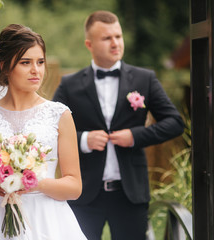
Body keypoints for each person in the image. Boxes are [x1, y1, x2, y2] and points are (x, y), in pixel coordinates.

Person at [53, 10, 185, 240]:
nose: (115, 43)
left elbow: (175, 123)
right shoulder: (69, 84)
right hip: (83, 194)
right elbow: (48, 129)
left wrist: (135, 136)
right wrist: (83, 139)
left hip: (130, 195)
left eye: (118, 36)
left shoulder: (145, 79)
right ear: (89, 44)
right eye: (106, 38)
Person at [0, 24, 87, 240]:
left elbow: (74, 186)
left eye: (40, 62)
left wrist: (33, 181)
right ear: (5, 66)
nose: (36, 70)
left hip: (46, 221)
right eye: (25, 62)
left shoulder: (60, 114)